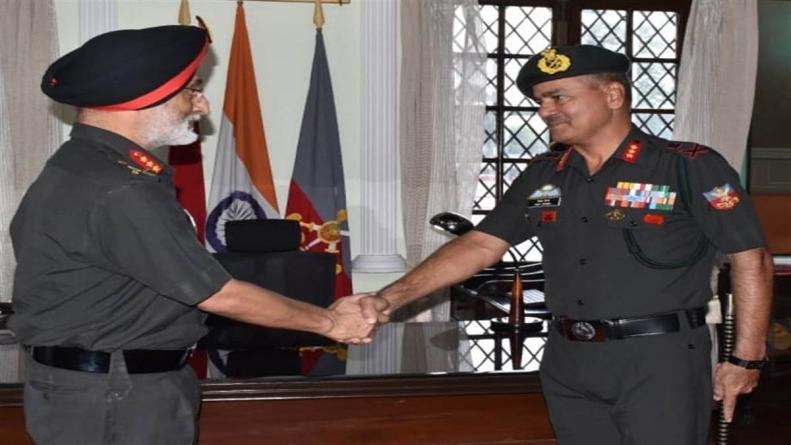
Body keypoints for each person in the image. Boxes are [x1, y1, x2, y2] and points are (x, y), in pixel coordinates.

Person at [365, 45, 774, 444]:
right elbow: (480, 244)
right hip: (568, 359)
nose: (545, 111)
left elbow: (750, 258)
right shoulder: (545, 175)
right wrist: (386, 299)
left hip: (658, 359)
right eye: (540, 101)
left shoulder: (687, 166)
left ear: (612, 95)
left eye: (558, 97)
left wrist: (746, 358)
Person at [9, 25, 386, 445]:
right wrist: (330, 322)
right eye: (191, 91)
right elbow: (218, 294)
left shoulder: (78, 166)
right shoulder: (120, 188)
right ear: (142, 100)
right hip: (117, 399)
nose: (202, 105)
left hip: (102, 388)